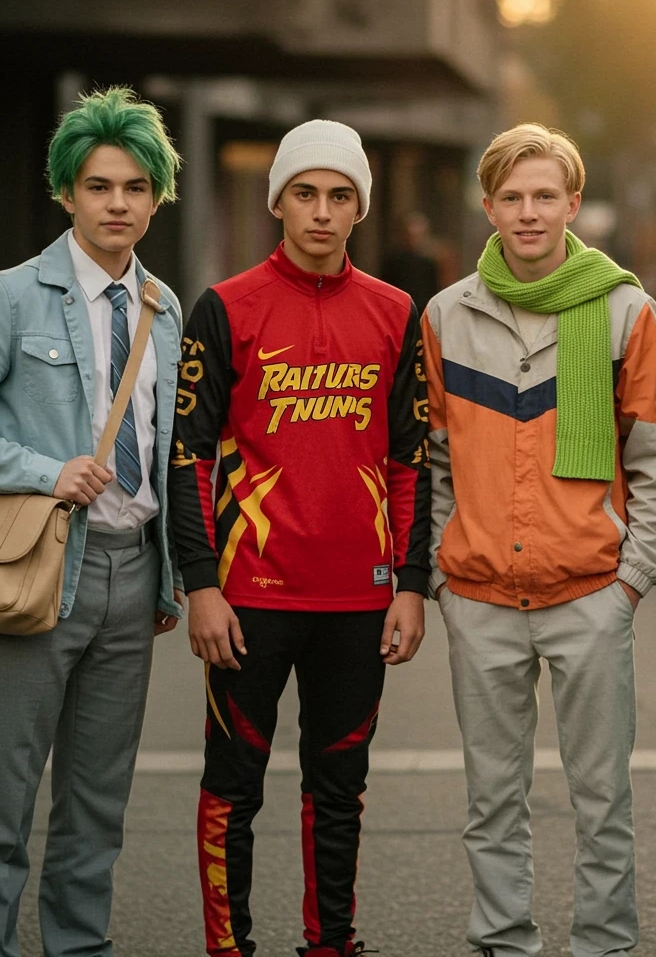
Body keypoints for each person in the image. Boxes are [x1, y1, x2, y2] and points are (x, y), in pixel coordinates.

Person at [0, 86, 185, 957]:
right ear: (67, 192)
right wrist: (44, 473)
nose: (118, 204)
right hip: (40, 570)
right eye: (100, 186)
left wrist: (171, 574)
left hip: (132, 575)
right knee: (2, 803)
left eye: (136, 187)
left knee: (97, 808)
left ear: (155, 197)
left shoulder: (164, 310)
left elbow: (166, 444)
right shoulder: (12, 296)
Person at [422, 123, 656, 957]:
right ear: (489, 205)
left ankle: (603, 946)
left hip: (589, 594)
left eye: (545, 196)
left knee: (602, 799)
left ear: (573, 203)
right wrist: (442, 573)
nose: (528, 213)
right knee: (492, 800)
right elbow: (432, 460)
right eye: (511, 197)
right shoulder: (445, 316)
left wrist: (631, 583)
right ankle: (504, 942)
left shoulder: (624, 310)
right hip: (481, 598)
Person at [168, 119, 430, 957]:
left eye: (340, 195)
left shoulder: (396, 312)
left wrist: (412, 585)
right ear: (279, 199)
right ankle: (228, 948)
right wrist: (200, 582)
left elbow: (411, 461)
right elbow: (189, 454)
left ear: (360, 208)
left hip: (359, 598)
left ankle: (331, 945)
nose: (322, 211)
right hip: (248, 598)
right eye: (306, 193)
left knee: (339, 790)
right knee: (231, 788)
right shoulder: (225, 307)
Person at [379, 211, 441, 315]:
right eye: (410, 235)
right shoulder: (392, 261)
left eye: (417, 235)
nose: (413, 239)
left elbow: (434, 290)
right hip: (397, 310)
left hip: (421, 311)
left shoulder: (429, 263)